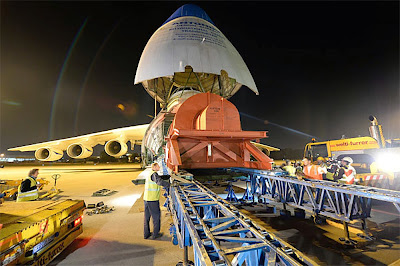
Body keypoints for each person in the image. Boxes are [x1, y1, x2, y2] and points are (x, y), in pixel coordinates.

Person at [144, 162, 170, 240]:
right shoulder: (154, 174)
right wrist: (170, 185)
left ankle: (146, 234)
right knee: (156, 216)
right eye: (158, 166)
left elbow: (160, 179)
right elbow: (159, 182)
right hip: (152, 199)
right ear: (154, 167)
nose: (159, 167)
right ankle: (155, 234)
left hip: (146, 198)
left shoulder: (150, 173)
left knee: (147, 217)